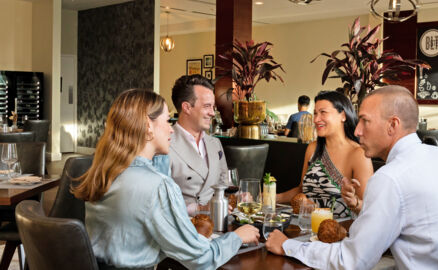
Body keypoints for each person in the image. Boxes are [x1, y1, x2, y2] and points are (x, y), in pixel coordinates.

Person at [266, 85, 438, 269]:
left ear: (392, 125)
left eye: (365, 121)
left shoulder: (390, 178)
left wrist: (287, 246)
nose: (357, 130)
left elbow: (352, 261)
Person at [73, 89, 259, 269]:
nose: (171, 129)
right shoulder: (158, 186)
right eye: (168, 121)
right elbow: (202, 260)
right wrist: (238, 237)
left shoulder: (104, 173)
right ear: (148, 125)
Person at [276, 91, 373, 217]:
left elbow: (368, 209)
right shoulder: (313, 148)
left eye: (323, 112)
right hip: (306, 228)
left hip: (341, 231)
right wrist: (273, 198)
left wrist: (353, 202)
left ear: (343, 115)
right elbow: (301, 189)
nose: (316, 119)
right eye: (315, 113)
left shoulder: (358, 154)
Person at [167, 75, 229, 213]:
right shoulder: (165, 144)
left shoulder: (215, 143)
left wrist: (239, 197)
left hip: (218, 221)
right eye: (207, 106)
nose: (213, 113)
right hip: (183, 225)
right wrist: (199, 209)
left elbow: (225, 184)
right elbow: (160, 202)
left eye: (213, 107)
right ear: (187, 107)